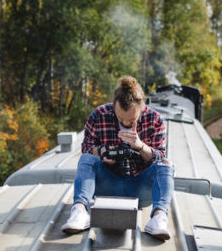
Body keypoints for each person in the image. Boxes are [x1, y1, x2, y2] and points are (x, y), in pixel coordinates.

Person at [61, 76, 174, 240]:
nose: (126, 122)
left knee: (166, 164)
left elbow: (159, 155)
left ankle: (158, 218)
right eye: (121, 118)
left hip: (139, 188)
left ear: (142, 107)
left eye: (132, 119)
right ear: (114, 105)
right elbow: (86, 147)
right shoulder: (99, 114)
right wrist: (102, 152)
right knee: (86, 159)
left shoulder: (155, 120)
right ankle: (80, 211)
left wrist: (140, 145)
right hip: (108, 183)